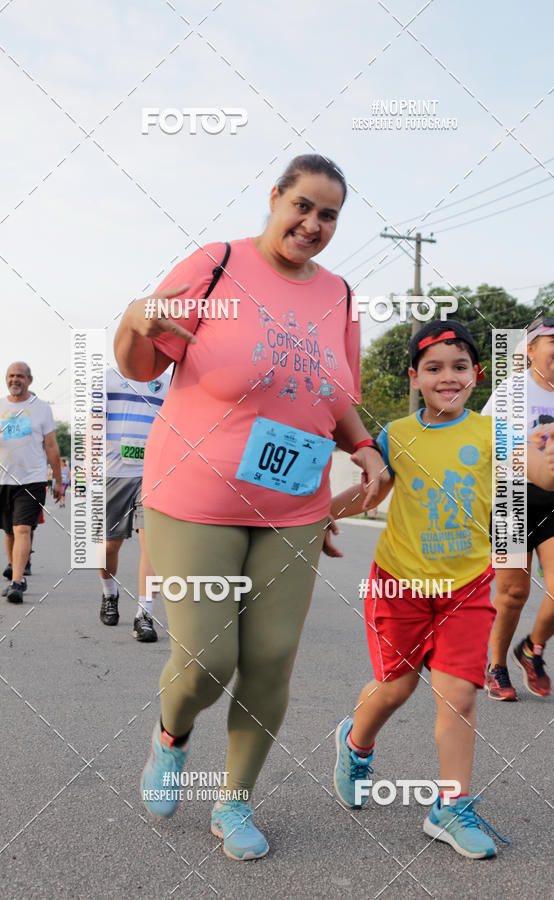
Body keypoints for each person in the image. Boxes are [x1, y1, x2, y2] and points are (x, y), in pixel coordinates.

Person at [114, 154, 384, 860]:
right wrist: (134, 318)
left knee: (268, 660)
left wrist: (367, 449)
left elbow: (339, 396)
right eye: (303, 205)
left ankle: (233, 803)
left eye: (329, 215)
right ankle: (171, 738)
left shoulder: (339, 294)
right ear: (275, 198)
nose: (313, 224)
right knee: (207, 660)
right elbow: (141, 363)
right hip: (193, 497)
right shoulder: (216, 264)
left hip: (294, 503)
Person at [327, 320, 554, 859]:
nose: (447, 377)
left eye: (459, 367)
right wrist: (320, 514)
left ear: (476, 376)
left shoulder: (492, 432)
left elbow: (539, 468)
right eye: (434, 368)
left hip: (466, 585)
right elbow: (373, 491)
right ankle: (355, 743)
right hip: (400, 585)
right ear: (415, 377)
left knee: (458, 695)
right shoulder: (396, 434)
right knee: (394, 688)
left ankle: (450, 806)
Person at [482, 317, 554, 700]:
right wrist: (522, 446)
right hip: (511, 495)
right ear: (529, 350)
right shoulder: (511, 390)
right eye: (553, 341)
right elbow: (485, 441)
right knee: (513, 593)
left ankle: (532, 648)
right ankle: (497, 666)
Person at [99, 366, 169, 641]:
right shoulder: (108, 377)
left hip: (152, 475)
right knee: (109, 546)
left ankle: (144, 615)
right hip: (113, 473)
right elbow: (93, 423)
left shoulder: (169, 383)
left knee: (150, 544)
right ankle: (109, 593)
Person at [0, 362, 62, 603]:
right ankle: (18, 573)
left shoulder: (42, 408)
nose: (15, 380)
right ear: (6, 379)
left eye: (20, 376)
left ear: (30, 379)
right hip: (3, 480)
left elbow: (51, 445)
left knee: (23, 528)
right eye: (11, 376)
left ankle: (16, 582)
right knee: (9, 533)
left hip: (32, 480)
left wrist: (57, 480)